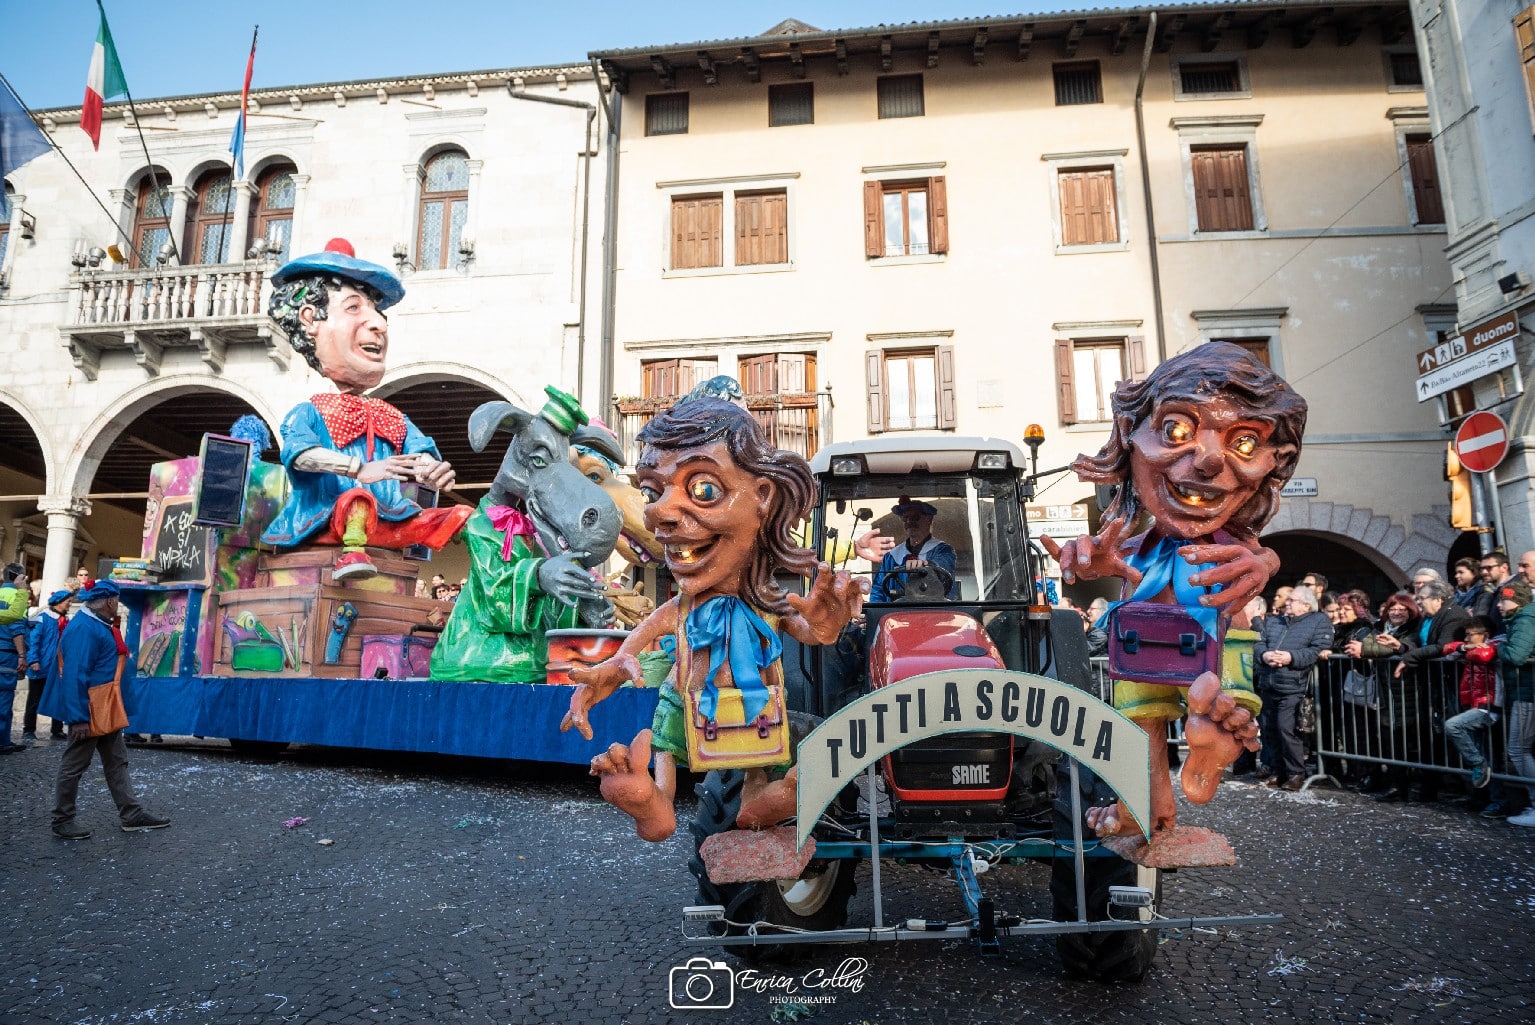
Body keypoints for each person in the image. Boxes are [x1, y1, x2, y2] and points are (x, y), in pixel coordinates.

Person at [1040, 341, 1308, 840]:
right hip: (1161, 633)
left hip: (1175, 631)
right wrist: (1094, 560)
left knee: (1155, 716)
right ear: (1130, 432)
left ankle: (1210, 733)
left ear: (1277, 459)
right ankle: (1153, 796)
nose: (1208, 460)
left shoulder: (1233, 547)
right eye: (1176, 430)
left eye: (1244, 443)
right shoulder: (1139, 543)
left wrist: (1265, 561)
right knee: (1145, 717)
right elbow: (1109, 559)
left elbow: (1260, 553)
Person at [563, 399, 863, 842]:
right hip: (688, 706)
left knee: (764, 755)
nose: (658, 513)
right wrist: (617, 665)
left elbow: (812, 632)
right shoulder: (682, 608)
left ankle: (761, 804)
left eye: (703, 489)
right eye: (652, 492)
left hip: (754, 711)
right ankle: (656, 801)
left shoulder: (768, 602)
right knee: (666, 744)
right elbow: (634, 646)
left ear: (763, 496)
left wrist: (827, 622)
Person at [259, 239, 471, 580]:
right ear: (310, 318)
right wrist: (359, 469)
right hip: (326, 521)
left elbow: (419, 454)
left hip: (392, 522)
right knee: (357, 499)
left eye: (378, 313)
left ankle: (494, 581)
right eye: (354, 308)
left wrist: (431, 470)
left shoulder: (392, 415)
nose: (380, 326)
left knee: (463, 516)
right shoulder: (310, 411)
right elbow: (299, 455)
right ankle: (351, 556)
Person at [40, 582, 170, 840]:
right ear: (110, 601)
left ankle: (131, 813)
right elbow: (75, 674)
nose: (117, 604)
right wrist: (78, 718)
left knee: (117, 761)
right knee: (75, 764)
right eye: (116, 600)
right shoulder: (85, 628)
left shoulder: (94, 624)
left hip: (104, 706)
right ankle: (62, 820)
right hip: (90, 708)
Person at [1345, 592, 1422, 801]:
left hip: (1404, 689)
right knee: (1387, 738)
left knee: (1401, 739)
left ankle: (1402, 786)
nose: (1396, 613)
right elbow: (1370, 644)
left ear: (1410, 611)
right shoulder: (1380, 627)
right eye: (1393, 609)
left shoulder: (1412, 628)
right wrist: (1371, 647)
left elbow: (1402, 647)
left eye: (1402, 609)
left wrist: (1365, 649)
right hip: (1383, 690)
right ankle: (1392, 782)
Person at [1254, 586, 1333, 790]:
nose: (1287, 602)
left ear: (1306, 605)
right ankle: (1278, 771)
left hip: (1294, 685)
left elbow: (1316, 650)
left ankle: (1296, 773)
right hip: (1269, 682)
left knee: (1286, 729)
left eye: (1292, 600)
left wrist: (1291, 657)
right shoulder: (1274, 621)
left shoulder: (1319, 621)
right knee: (1270, 729)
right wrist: (1265, 655)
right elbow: (1259, 642)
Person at [1441, 619, 1500, 790]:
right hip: (1473, 703)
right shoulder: (1470, 647)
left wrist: (1466, 650)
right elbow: (1447, 651)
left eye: (1470, 635)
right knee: (1484, 750)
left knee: (1453, 726)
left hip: (1488, 705)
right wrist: (1464, 647)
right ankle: (1487, 796)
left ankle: (1479, 766)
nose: (1466, 639)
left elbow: (1484, 655)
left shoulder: (1497, 643)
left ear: (1485, 635)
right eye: (1465, 635)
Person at [1496, 580, 1535, 828]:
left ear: (1517, 601)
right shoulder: (1523, 617)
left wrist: (1498, 647)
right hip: (1525, 691)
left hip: (1527, 692)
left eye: (1504, 600)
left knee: (1518, 749)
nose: (1499, 605)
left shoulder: (1524, 619)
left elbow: (1516, 655)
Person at [868, 496, 958, 602]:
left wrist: (927, 565)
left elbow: (944, 564)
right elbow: (878, 591)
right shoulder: (891, 557)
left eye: (915, 518)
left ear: (929, 520)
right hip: (896, 611)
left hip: (934, 609)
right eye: (905, 518)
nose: (909, 522)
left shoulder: (943, 550)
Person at [23, 590, 73, 743]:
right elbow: (33, 641)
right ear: (59, 602)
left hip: (58, 667)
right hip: (42, 665)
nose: (70, 604)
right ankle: (28, 729)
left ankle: (57, 729)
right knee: (34, 699)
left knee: (58, 697)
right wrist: (33, 660)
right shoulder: (42, 618)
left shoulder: (66, 620)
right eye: (68, 601)